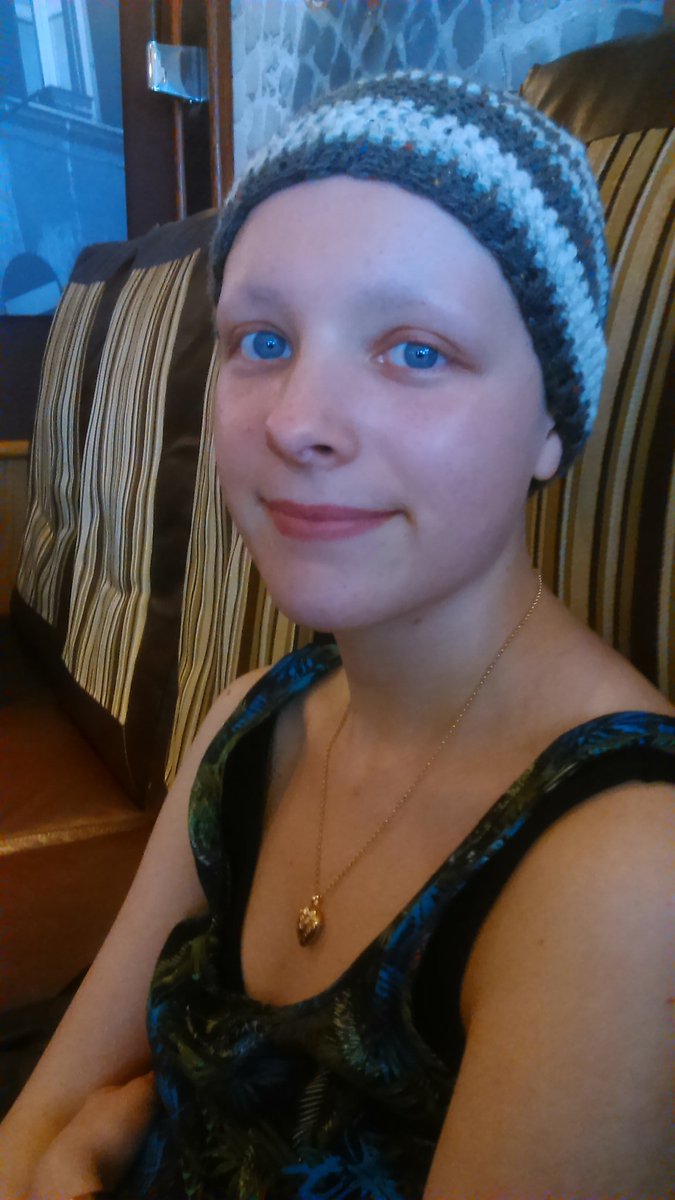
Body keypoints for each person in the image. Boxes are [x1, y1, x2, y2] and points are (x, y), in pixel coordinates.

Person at [1, 71, 673, 1200]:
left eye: (417, 350)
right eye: (262, 340)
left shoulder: (626, 877)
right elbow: (38, 1125)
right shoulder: (252, 719)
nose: (299, 421)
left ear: (551, 422)